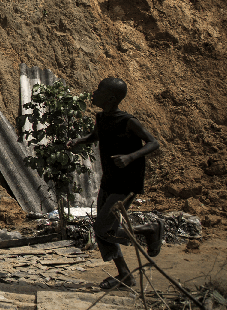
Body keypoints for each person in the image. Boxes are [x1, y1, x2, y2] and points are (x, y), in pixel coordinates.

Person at [68, 77, 162, 289]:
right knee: (104, 232)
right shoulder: (101, 118)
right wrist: (80, 141)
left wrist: (131, 157)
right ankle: (125, 275)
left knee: (103, 228)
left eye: (99, 89)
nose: (94, 92)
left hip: (127, 184)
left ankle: (149, 229)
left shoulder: (128, 121)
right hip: (109, 181)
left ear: (110, 97)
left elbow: (154, 142)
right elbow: (96, 136)